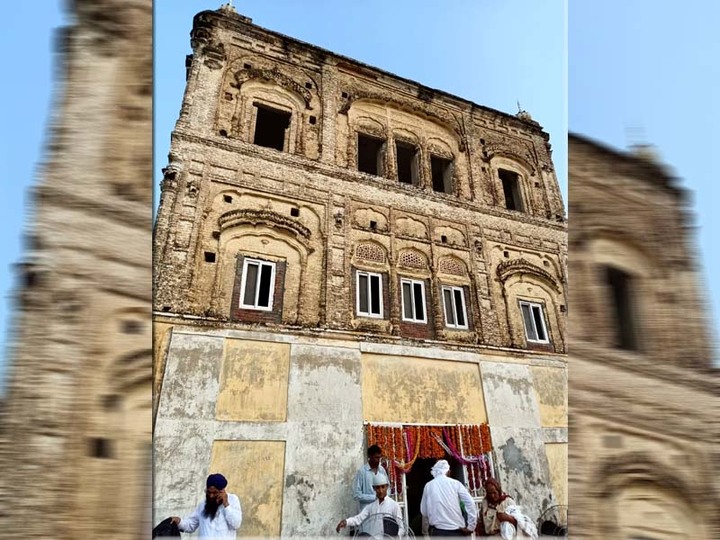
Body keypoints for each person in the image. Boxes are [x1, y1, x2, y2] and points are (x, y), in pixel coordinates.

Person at [170, 473, 242, 539]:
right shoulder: (203, 505)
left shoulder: (233, 500)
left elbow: (236, 524)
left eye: (214, 493)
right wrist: (179, 521)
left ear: (222, 491)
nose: (211, 496)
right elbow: (191, 524)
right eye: (209, 492)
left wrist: (226, 504)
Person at [337, 473, 405, 538]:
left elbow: (401, 528)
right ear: (374, 488)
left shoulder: (394, 505)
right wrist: (346, 522)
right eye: (378, 488)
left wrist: (396, 537)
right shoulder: (370, 507)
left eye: (383, 487)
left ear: (387, 487)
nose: (381, 491)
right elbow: (358, 519)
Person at [420, 459, 476, 537]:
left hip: (438, 533)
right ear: (448, 472)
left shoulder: (428, 486)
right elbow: (470, 502)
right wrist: (471, 527)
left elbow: (424, 511)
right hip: (457, 532)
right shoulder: (456, 484)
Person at [353, 444, 388, 512]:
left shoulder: (382, 470)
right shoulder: (362, 472)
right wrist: (374, 497)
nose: (378, 460)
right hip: (367, 511)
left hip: (381, 509)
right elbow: (356, 494)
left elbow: (387, 487)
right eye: (376, 457)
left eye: (379, 458)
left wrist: (384, 496)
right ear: (369, 456)